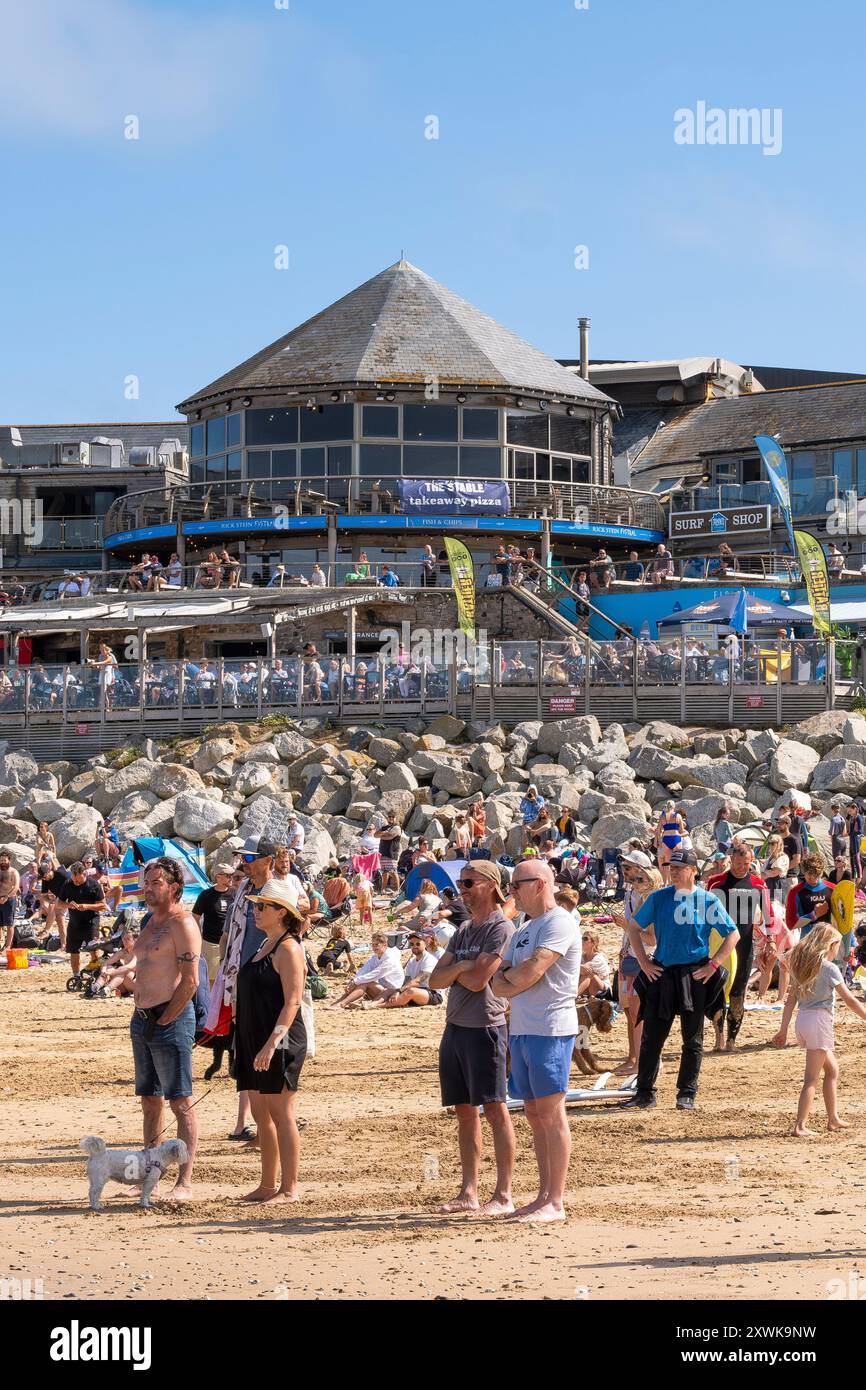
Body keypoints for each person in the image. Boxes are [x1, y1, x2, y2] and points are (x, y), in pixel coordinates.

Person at [489, 861, 581, 1223]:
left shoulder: (559, 922)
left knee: (551, 1112)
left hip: (551, 1027)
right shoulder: (525, 928)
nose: (511, 892)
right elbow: (497, 981)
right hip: (524, 1028)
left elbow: (530, 972)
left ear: (540, 884)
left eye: (517, 885)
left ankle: (555, 1200)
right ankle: (543, 1194)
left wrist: (512, 978)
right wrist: (513, 978)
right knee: (532, 1112)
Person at [429, 861, 516, 1217]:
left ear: (490, 885)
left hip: (486, 1026)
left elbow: (480, 981)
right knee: (464, 1112)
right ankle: (468, 1191)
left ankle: (504, 1193)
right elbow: (435, 979)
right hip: (456, 1025)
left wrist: (461, 971)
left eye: (467, 882)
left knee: (495, 1109)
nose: (461, 888)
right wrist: (465, 968)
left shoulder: (501, 928)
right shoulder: (465, 928)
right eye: (460, 882)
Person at [623, 849, 739, 1110]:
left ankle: (686, 1093)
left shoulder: (708, 901)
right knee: (652, 1037)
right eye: (670, 866)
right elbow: (633, 927)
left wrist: (714, 964)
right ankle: (645, 1093)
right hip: (662, 972)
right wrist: (643, 962)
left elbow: (732, 935)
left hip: (695, 973)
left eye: (679, 867)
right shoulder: (658, 898)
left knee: (693, 1038)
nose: (673, 871)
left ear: (693, 870)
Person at [130, 858, 202, 1200]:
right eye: (147, 881)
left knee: (181, 1101)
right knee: (149, 1101)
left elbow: (190, 982)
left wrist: (166, 1019)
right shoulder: (150, 921)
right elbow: (143, 967)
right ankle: (151, 1178)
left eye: (156, 882)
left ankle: (184, 1183)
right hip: (143, 1018)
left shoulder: (182, 923)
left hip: (169, 1017)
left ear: (174, 887)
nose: (148, 887)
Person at [235, 878, 307, 1201]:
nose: (256, 910)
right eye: (256, 904)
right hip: (254, 1037)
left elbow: (292, 1002)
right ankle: (267, 1185)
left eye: (263, 906)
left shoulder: (289, 948)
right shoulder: (264, 944)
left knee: (281, 1111)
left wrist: (270, 1044)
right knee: (261, 1114)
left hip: (281, 1039)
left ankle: (289, 1188)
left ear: (281, 913)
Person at [772, 924, 866, 1136]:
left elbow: (790, 1002)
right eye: (837, 947)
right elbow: (849, 1000)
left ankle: (833, 1119)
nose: (837, 952)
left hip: (803, 1021)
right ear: (831, 945)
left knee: (832, 1070)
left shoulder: (802, 967)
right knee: (810, 1079)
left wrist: (783, 1030)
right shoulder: (829, 968)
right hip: (819, 1022)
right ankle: (800, 1126)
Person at [705, 840, 773, 1051]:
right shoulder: (716, 883)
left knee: (738, 992)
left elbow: (768, 914)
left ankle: (731, 1041)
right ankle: (718, 1036)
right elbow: (705, 915)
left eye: (745, 864)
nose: (741, 868)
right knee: (717, 991)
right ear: (730, 860)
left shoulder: (758, 885)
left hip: (744, 946)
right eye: (737, 863)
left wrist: (770, 939)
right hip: (719, 946)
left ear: (751, 862)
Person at [612, 854, 661, 1076]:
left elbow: (651, 939)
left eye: (641, 879)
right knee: (634, 1012)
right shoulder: (639, 899)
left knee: (639, 1013)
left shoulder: (649, 902)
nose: (636, 882)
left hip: (644, 960)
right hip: (635, 957)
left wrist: (629, 928)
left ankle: (643, 1061)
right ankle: (638, 1060)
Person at [56, 859, 107, 980]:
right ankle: (76, 976)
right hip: (74, 922)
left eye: (78, 880)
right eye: (74, 880)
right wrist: (68, 905)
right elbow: (58, 903)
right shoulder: (68, 883)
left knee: (94, 949)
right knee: (73, 950)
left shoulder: (94, 885)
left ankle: (96, 973)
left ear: (85, 874)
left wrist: (87, 906)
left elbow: (103, 906)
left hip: (91, 921)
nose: (76, 882)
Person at [366, 930, 443, 1009]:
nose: (414, 946)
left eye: (418, 943)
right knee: (390, 990)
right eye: (411, 944)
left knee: (410, 991)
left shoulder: (429, 959)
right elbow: (407, 980)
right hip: (418, 991)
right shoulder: (412, 961)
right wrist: (397, 991)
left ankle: (378, 1006)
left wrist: (399, 991)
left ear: (425, 944)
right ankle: (373, 1003)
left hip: (433, 994)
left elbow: (418, 980)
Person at [327, 932, 403, 1009]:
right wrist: (353, 981)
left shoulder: (390, 959)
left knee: (364, 982)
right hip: (382, 990)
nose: (374, 947)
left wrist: (356, 981)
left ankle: (342, 1004)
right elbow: (364, 970)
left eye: (377, 945)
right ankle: (338, 1002)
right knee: (360, 981)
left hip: (393, 993)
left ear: (385, 945)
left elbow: (376, 974)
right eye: (372, 945)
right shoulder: (376, 957)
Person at [192, 867, 233, 984]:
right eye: (227, 875)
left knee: (230, 978)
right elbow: (195, 917)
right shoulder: (206, 895)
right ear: (218, 877)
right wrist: (198, 938)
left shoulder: (235, 893)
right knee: (211, 979)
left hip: (231, 942)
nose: (230, 878)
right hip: (211, 943)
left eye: (232, 875)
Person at [654, 800, 686, 882]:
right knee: (678, 861)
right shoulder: (677, 816)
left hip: (666, 839)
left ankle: (669, 882)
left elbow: (658, 830)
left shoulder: (662, 817)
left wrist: (658, 839)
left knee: (668, 862)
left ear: (666, 807)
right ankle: (678, 881)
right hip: (676, 838)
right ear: (674, 807)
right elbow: (682, 830)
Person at [577, 928, 610, 997]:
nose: (582, 941)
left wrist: (579, 966)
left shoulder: (598, 958)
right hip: (588, 988)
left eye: (585, 939)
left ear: (593, 943)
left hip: (602, 989)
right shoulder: (581, 956)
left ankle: (574, 996)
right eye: (582, 938)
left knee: (589, 973)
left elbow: (584, 970)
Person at [0, 852, 19, 952]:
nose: (3, 862)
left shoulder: (13, 872)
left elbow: (16, 886)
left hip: (9, 899)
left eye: (4, 860)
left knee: (9, 924)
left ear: (9, 861)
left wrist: (6, 897)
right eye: (1, 860)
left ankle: (7, 946)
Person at [377, 815, 401, 893]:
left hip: (392, 853)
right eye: (389, 817)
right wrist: (384, 833)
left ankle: (397, 890)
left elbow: (390, 836)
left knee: (393, 872)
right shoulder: (384, 828)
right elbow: (375, 835)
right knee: (384, 872)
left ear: (395, 818)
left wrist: (381, 836)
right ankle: (382, 890)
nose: (391, 818)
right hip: (383, 852)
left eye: (392, 817)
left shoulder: (397, 827)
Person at [762, 834, 790, 900]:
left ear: (779, 844)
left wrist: (765, 873)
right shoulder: (770, 857)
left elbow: (774, 872)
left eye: (773, 843)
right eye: (769, 843)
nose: (770, 845)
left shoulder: (783, 857)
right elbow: (764, 873)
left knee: (777, 908)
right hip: (768, 886)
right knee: (766, 908)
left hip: (778, 887)